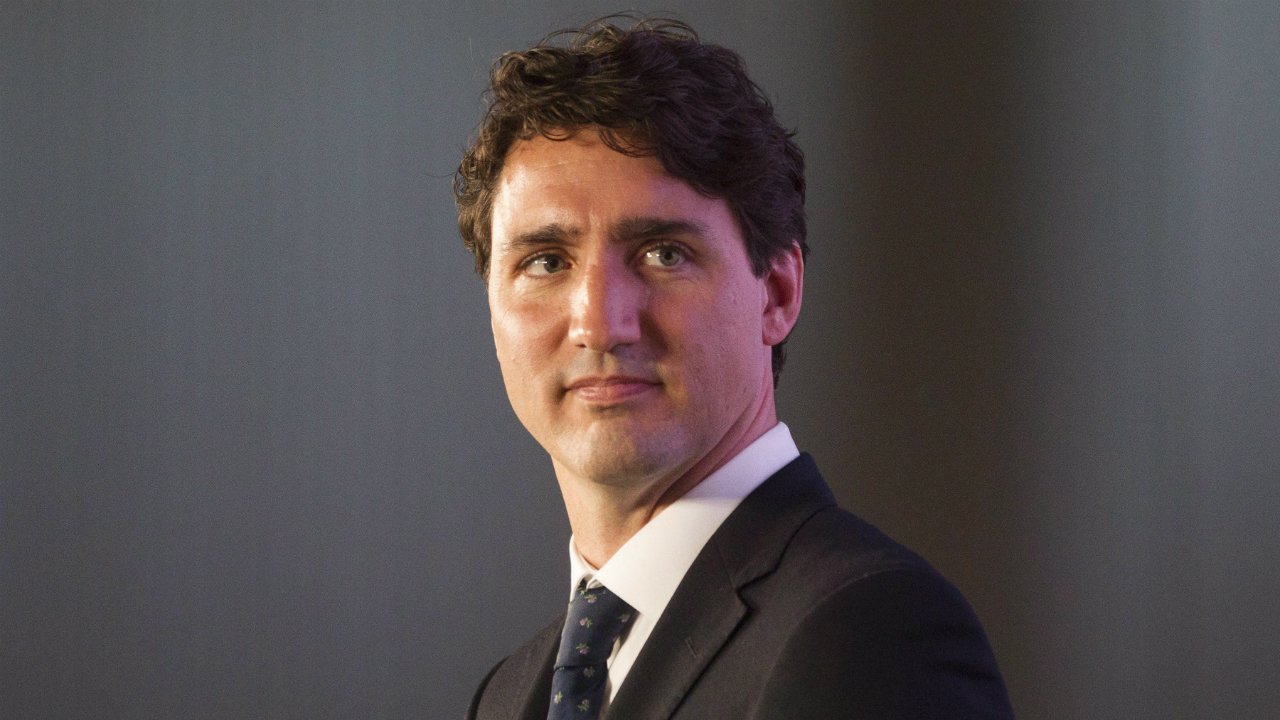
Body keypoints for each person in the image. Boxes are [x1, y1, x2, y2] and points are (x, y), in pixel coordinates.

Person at [454, 16, 1014, 720]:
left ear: (777, 294)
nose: (598, 322)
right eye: (545, 262)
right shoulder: (507, 697)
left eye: (663, 253)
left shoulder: (868, 631)